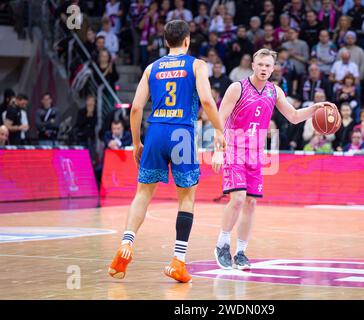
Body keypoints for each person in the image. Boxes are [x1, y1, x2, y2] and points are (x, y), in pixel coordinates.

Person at [108, 20, 225, 283]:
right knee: (186, 197)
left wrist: (137, 142)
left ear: (164, 41)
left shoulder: (152, 68)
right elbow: (206, 100)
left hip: (156, 132)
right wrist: (219, 130)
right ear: (187, 41)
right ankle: (178, 261)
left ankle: (127, 243)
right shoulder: (196, 65)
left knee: (143, 193)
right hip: (182, 133)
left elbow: (136, 108)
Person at [211, 48, 337, 270]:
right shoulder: (236, 88)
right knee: (238, 198)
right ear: (253, 65)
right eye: (260, 65)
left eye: (268, 66)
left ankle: (241, 252)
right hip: (234, 148)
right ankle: (222, 245)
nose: (264, 69)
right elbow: (218, 121)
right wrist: (218, 151)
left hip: (256, 152)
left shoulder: (274, 91)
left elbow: (295, 116)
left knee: (251, 202)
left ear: (273, 68)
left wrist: (315, 108)